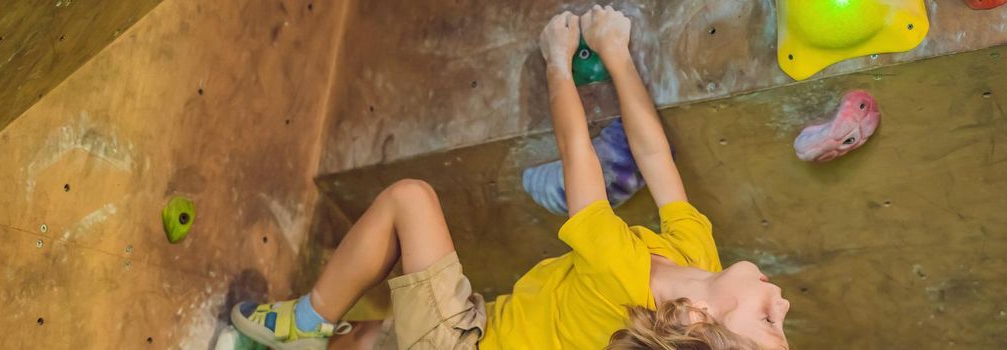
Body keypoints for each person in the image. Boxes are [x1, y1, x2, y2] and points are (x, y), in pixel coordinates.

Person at [230, 5, 790, 350]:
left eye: (769, 321)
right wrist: (617, 55)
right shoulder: (698, 253)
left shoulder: (621, 277)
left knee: (409, 199)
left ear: (698, 318)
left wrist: (557, 58)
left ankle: (304, 323)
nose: (783, 304)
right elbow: (656, 158)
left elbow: (578, 155)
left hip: (465, 343)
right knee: (371, 338)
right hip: (492, 322)